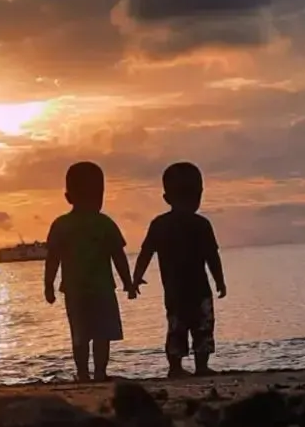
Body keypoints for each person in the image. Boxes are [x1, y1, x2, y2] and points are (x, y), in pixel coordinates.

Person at [131, 161, 226, 378]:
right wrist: (220, 281)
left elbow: (146, 253)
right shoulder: (200, 224)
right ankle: (197, 366)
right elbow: (212, 257)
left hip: (176, 291)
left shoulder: (161, 224)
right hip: (198, 289)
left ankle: (177, 367)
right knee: (200, 327)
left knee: (178, 328)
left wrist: (136, 278)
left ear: (167, 198)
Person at [44, 161, 137, 382]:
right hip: (100, 289)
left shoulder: (62, 225)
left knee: (81, 334)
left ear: (68, 196)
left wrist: (48, 285)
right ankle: (99, 373)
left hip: (77, 290)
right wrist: (128, 283)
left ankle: (84, 373)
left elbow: (52, 259)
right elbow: (119, 257)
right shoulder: (104, 223)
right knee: (100, 334)